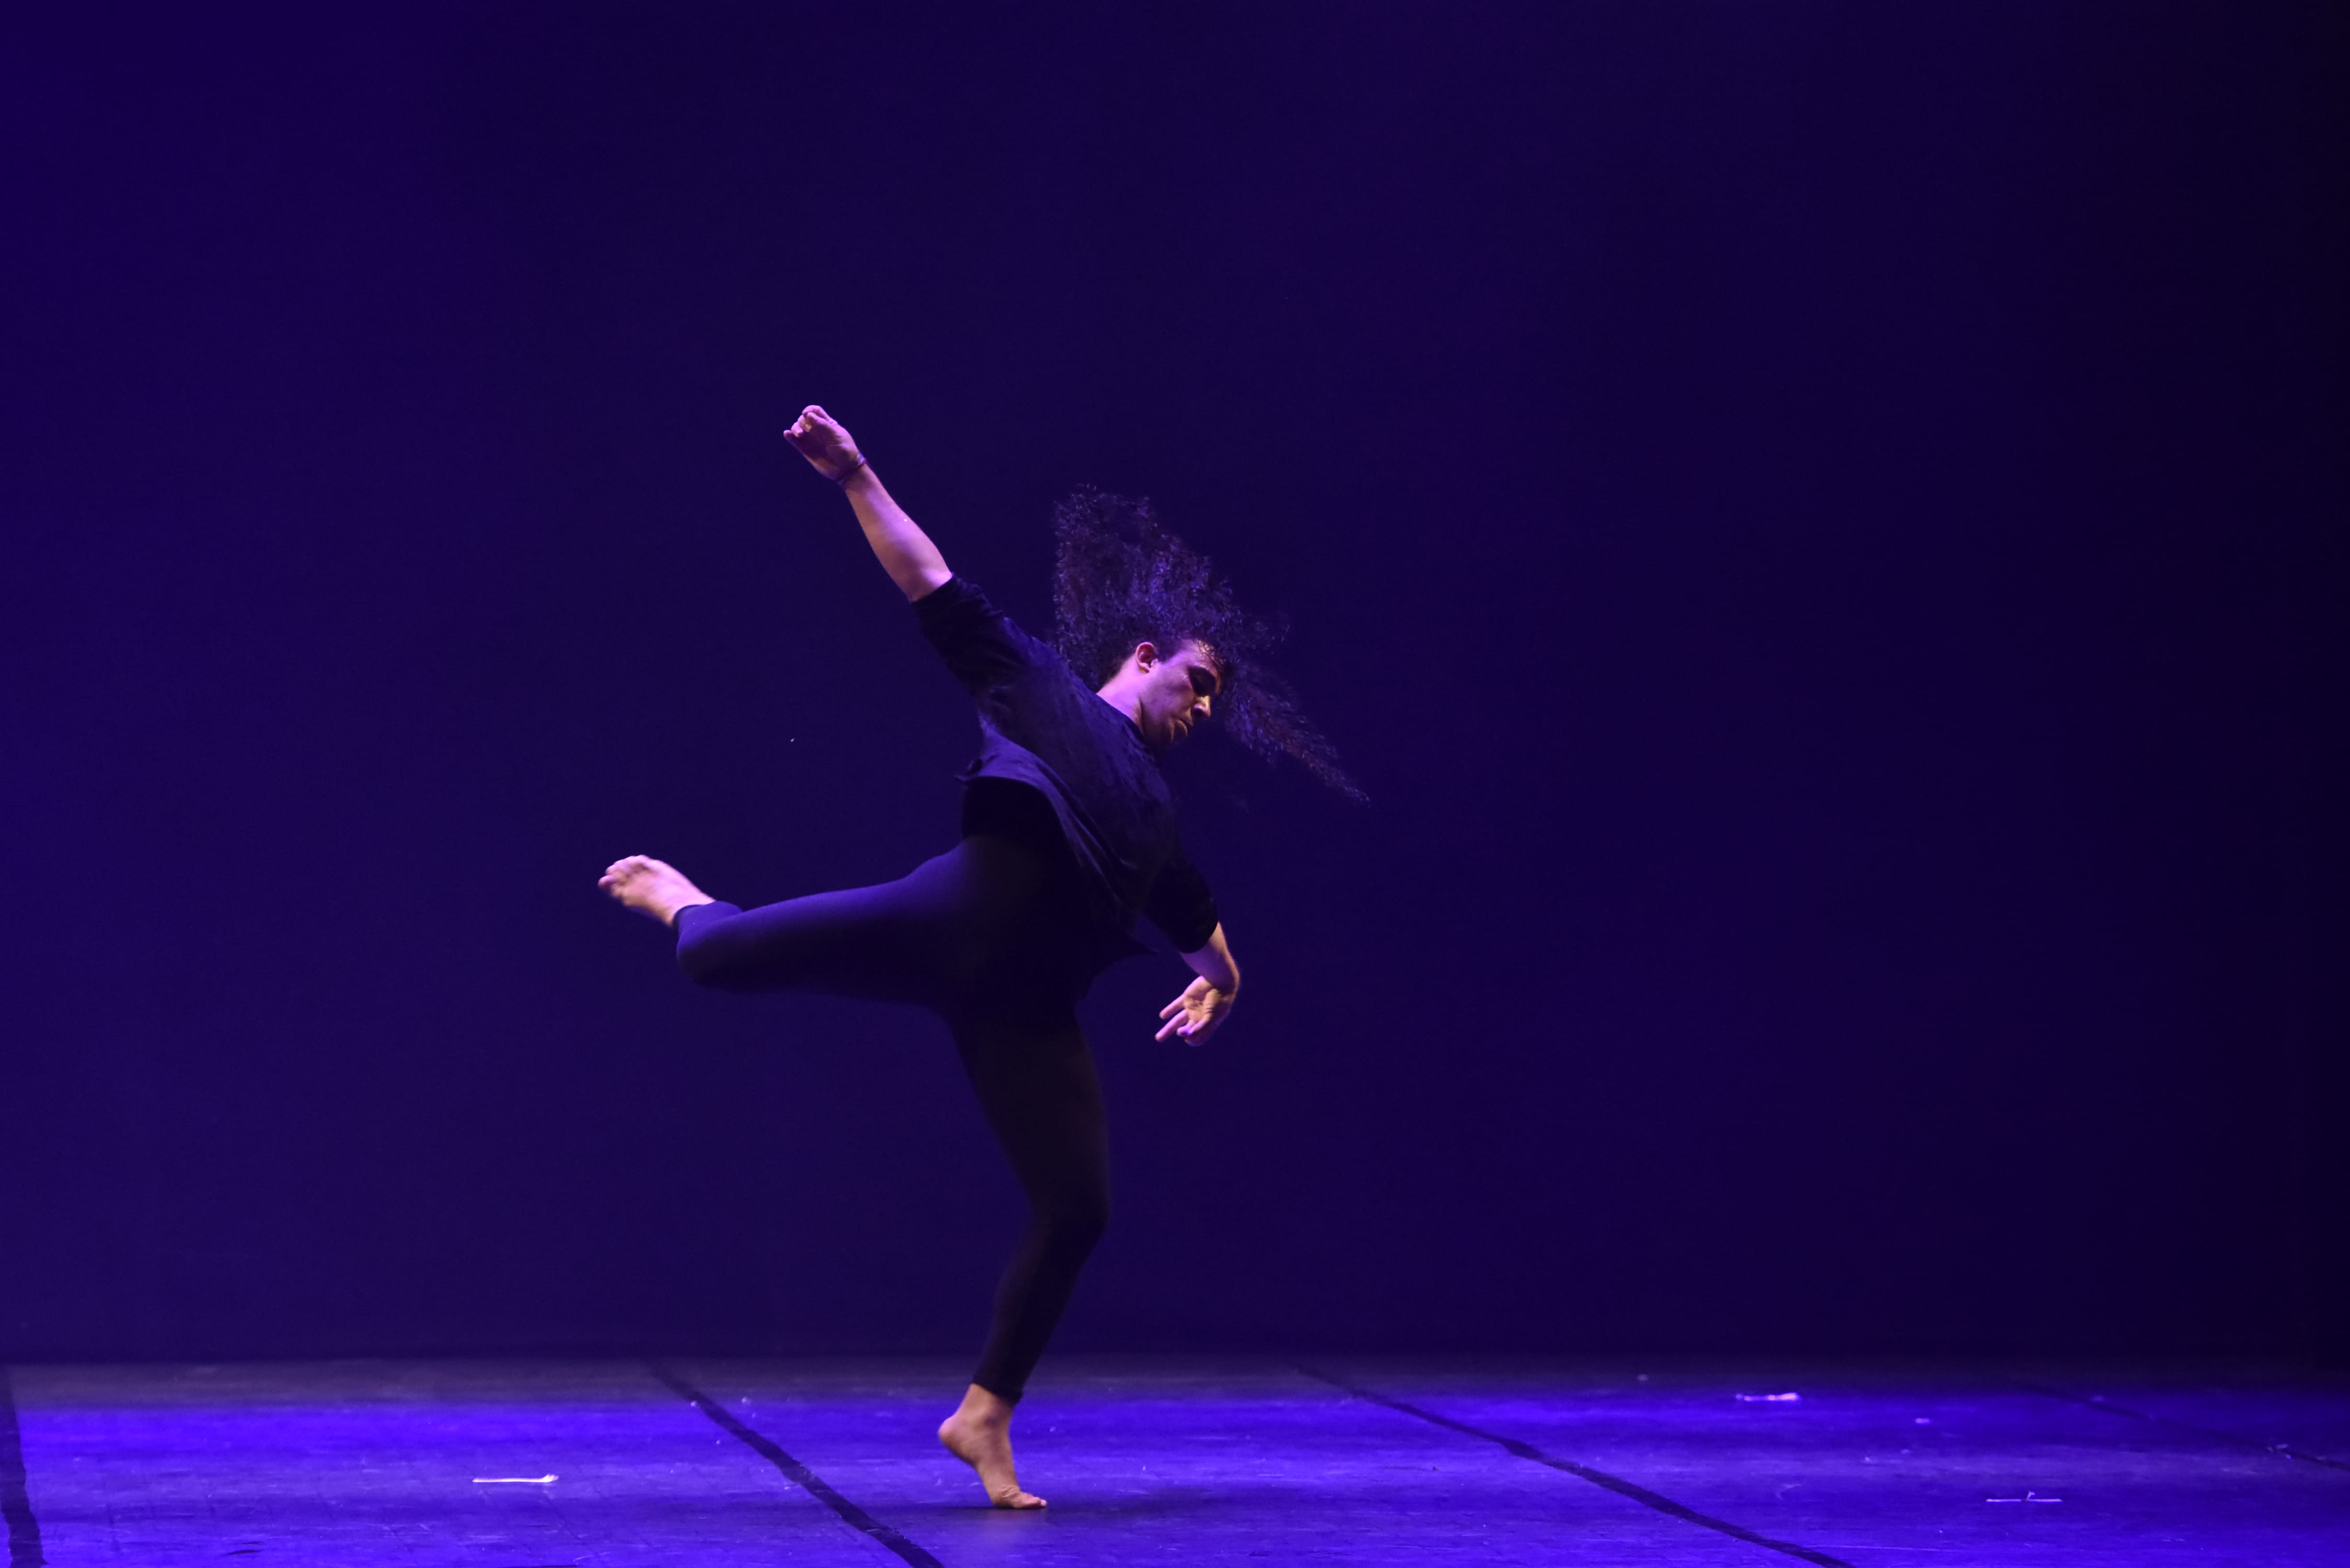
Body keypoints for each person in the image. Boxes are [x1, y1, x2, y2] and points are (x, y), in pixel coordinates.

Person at [600, 405, 1353, 1508]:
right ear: (1144, 659)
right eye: (1194, 684)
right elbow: (932, 583)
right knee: (713, 960)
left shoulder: (1155, 818)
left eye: (1212, 704)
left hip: (1027, 1010)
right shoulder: (1043, 690)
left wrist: (1224, 985)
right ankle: (690, 903)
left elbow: (1199, 925)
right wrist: (855, 474)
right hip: (947, 921)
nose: (1201, 708)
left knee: (1079, 1209)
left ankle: (983, 1414)